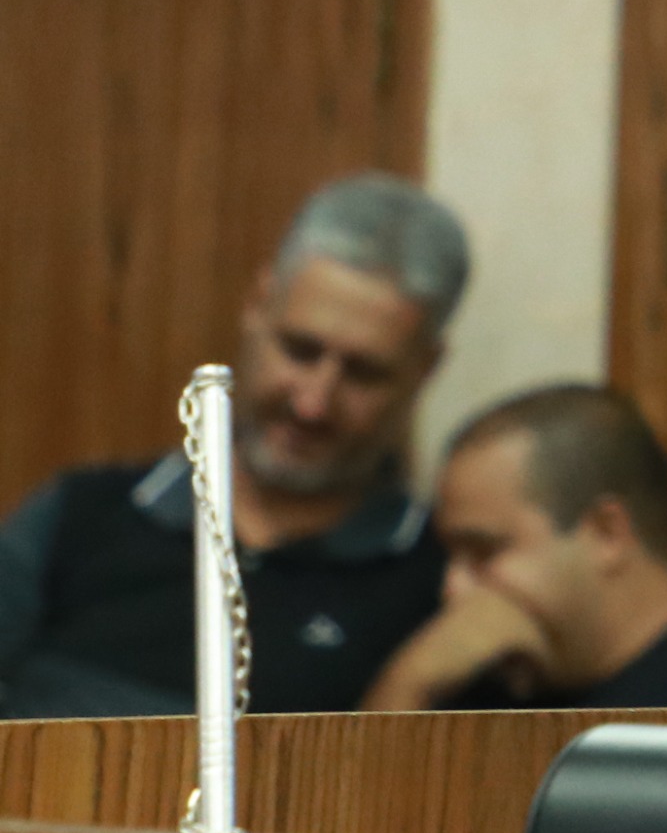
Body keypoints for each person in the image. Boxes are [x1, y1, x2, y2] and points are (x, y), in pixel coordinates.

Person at [0, 174, 464, 719]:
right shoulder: (78, 515)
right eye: (300, 350)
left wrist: (411, 681)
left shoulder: (442, 581)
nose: (313, 404)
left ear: (425, 368)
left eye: (363, 373)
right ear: (259, 303)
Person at [362, 384, 667, 712]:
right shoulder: (487, 682)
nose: (453, 588)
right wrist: (412, 682)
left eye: (484, 551)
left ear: (606, 533)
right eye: (452, 556)